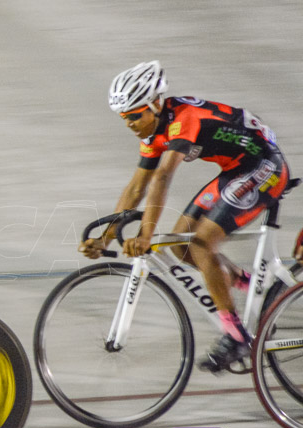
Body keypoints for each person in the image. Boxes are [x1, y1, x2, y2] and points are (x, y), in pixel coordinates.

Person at [80, 61, 291, 373]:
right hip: (237, 169)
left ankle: (236, 337)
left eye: (135, 115)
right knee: (180, 246)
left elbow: (163, 177)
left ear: (154, 104)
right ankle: (253, 287)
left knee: (203, 243)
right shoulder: (154, 132)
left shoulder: (184, 119)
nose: (130, 124)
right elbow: (137, 186)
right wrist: (105, 237)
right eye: (124, 118)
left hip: (265, 166)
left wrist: (145, 236)